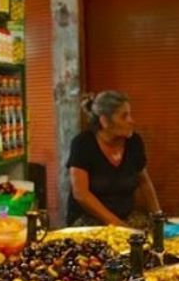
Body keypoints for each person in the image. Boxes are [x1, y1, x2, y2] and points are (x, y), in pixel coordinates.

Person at [66, 91, 161, 227]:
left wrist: (158, 217)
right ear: (104, 121)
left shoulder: (134, 142)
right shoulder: (83, 144)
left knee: (151, 242)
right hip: (88, 220)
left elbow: (144, 181)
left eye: (130, 115)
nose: (131, 121)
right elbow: (81, 194)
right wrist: (118, 226)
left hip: (125, 217)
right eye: (124, 116)